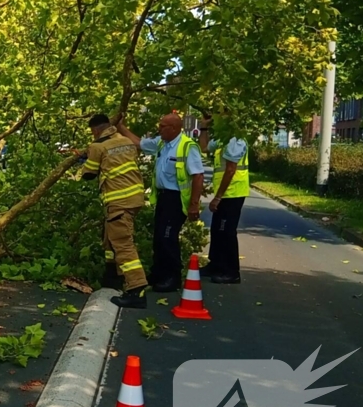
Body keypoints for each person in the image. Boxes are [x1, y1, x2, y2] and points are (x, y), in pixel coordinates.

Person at [116, 112, 205, 293]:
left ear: (174, 128)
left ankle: (172, 278)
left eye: (163, 126)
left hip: (177, 199)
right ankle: (158, 274)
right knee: (158, 238)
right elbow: (138, 143)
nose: (159, 128)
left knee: (167, 237)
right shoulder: (161, 144)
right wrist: (121, 126)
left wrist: (194, 204)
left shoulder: (187, 146)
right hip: (164, 198)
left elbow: (198, 176)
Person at [80, 113, 149, 308]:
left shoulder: (97, 146)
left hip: (119, 200)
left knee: (123, 244)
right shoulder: (125, 141)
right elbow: (114, 159)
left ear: (94, 130)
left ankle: (137, 290)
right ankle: (112, 277)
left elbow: (89, 174)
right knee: (110, 237)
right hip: (134, 198)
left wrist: (84, 159)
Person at [198, 116, 248, 284]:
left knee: (226, 231)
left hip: (233, 193)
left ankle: (231, 272)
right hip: (226, 193)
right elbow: (204, 148)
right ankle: (216, 264)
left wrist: (218, 197)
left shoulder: (235, 140)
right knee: (217, 230)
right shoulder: (223, 139)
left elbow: (230, 170)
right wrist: (203, 128)